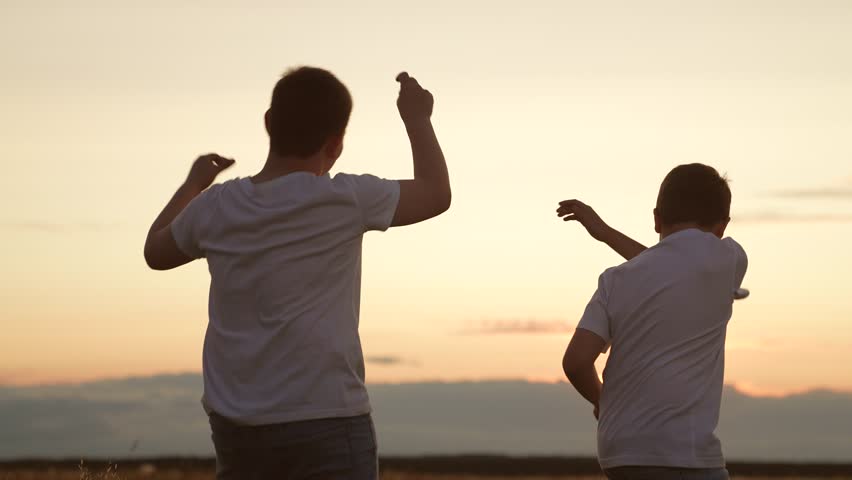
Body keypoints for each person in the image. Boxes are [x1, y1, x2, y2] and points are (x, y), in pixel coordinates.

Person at [143, 67, 450, 479]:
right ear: (336, 143)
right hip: (329, 417)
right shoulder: (346, 198)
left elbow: (156, 251)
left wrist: (194, 184)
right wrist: (417, 119)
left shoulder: (216, 206)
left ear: (268, 123)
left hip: (238, 429)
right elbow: (435, 193)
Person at [557, 164, 748, 480]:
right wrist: (606, 234)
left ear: (657, 217)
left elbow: (576, 362)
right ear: (722, 225)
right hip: (686, 454)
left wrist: (602, 400)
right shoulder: (728, 258)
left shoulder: (614, 281)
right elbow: (672, 270)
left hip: (620, 452)